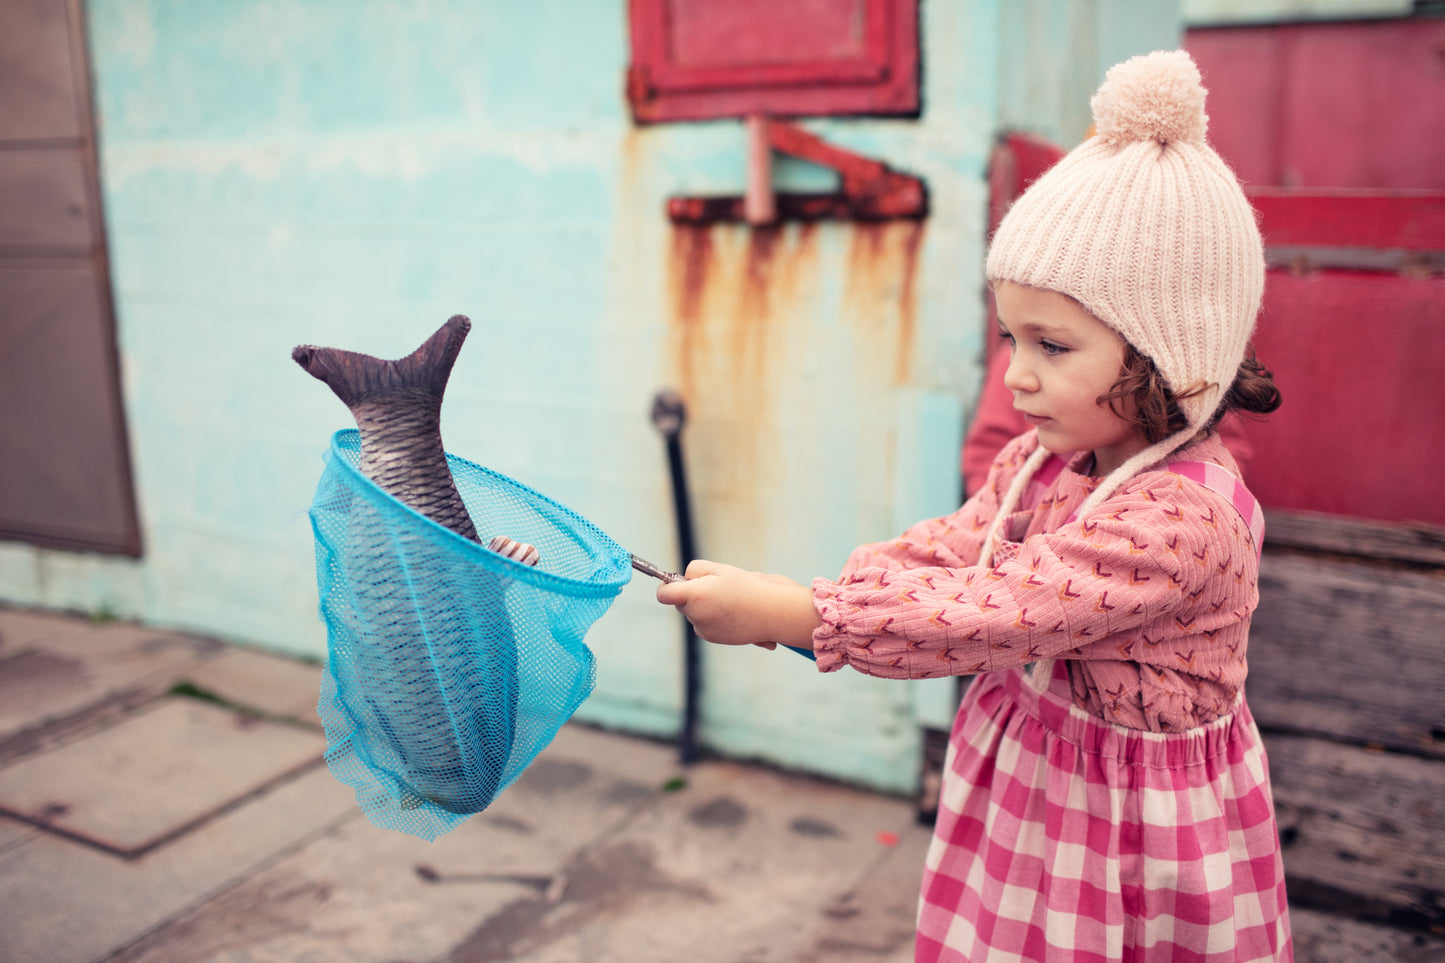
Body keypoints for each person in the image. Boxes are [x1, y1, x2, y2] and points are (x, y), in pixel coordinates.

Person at [656, 50, 1292, 961]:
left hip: (1126, 833)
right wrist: (804, 595)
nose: (1015, 375)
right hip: (1034, 781)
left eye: (1051, 344)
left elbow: (995, 610)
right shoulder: (1047, 457)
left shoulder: (1179, 524)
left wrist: (800, 616)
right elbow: (956, 550)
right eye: (1008, 336)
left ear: (1169, 354)